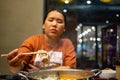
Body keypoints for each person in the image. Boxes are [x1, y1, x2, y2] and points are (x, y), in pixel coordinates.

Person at [6, 8, 76, 73]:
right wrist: (15, 64)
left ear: (64, 28)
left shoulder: (67, 43)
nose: (54, 24)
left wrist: (41, 72)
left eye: (59, 21)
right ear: (43, 25)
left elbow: (70, 69)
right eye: (50, 20)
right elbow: (19, 66)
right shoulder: (33, 41)